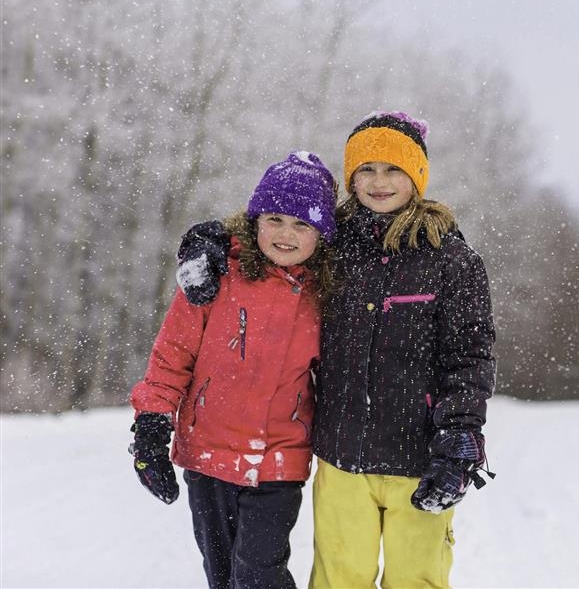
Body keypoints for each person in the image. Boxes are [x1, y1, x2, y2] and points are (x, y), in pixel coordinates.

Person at [176, 111, 496, 588]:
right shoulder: (335, 244)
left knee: (418, 578)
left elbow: (470, 357)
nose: (378, 181)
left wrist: (459, 440)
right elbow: (274, 234)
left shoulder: (452, 259)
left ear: (418, 176)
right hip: (342, 453)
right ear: (351, 177)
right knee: (339, 577)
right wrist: (213, 238)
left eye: (393, 169)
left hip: (420, 454)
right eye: (366, 169)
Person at [129, 151, 338, 589]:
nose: (286, 234)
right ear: (255, 219)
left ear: (321, 234)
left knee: (259, 575)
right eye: (276, 219)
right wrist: (150, 429)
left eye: (302, 224)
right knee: (222, 577)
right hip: (208, 452)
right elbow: (172, 356)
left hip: (279, 458)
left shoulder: (327, 293)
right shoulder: (214, 275)